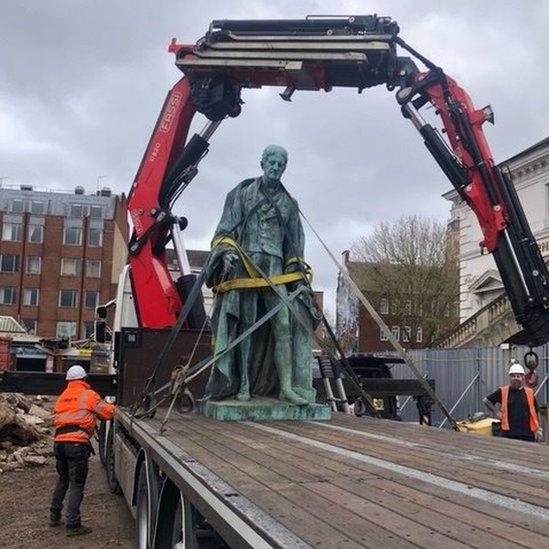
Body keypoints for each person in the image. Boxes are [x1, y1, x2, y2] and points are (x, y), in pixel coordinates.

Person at [204, 144, 318, 405]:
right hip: (247, 264)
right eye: (272, 162)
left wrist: (296, 273)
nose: (276, 167)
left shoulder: (290, 204)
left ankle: (287, 388)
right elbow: (224, 231)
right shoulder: (242, 194)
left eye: (281, 164)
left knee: (284, 324)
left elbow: (294, 245)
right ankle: (243, 384)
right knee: (246, 325)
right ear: (263, 163)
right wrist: (226, 252)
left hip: (275, 269)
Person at [49, 364, 116, 536]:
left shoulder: (62, 397)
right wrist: (112, 406)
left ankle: (54, 514)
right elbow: (108, 413)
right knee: (76, 484)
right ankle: (73, 524)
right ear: (84, 379)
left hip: (59, 443)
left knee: (63, 479)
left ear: (68, 381)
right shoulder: (89, 395)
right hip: (76, 444)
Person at [483, 363, 542, 442]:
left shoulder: (530, 393)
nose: (516, 378)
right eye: (513, 376)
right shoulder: (503, 391)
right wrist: (496, 412)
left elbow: (536, 412)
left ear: (523, 377)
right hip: (508, 433)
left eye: (518, 376)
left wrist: (538, 429)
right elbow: (486, 400)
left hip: (527, 434)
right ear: (510, 377)